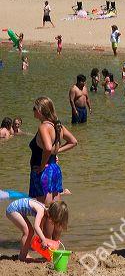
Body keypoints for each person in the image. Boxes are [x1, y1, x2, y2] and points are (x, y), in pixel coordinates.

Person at [30, 97, 77, 238]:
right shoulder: (57, 126)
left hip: (43, 171)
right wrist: (56, 153)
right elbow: (73, 141)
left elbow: (48, 148)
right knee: (55, 210)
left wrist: (44, 163)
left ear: (39, 110)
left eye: (34, 108)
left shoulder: (44, 126)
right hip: (55, 169)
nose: (33, 111)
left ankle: (47, 242)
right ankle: (55, 241)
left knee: (44, 210)